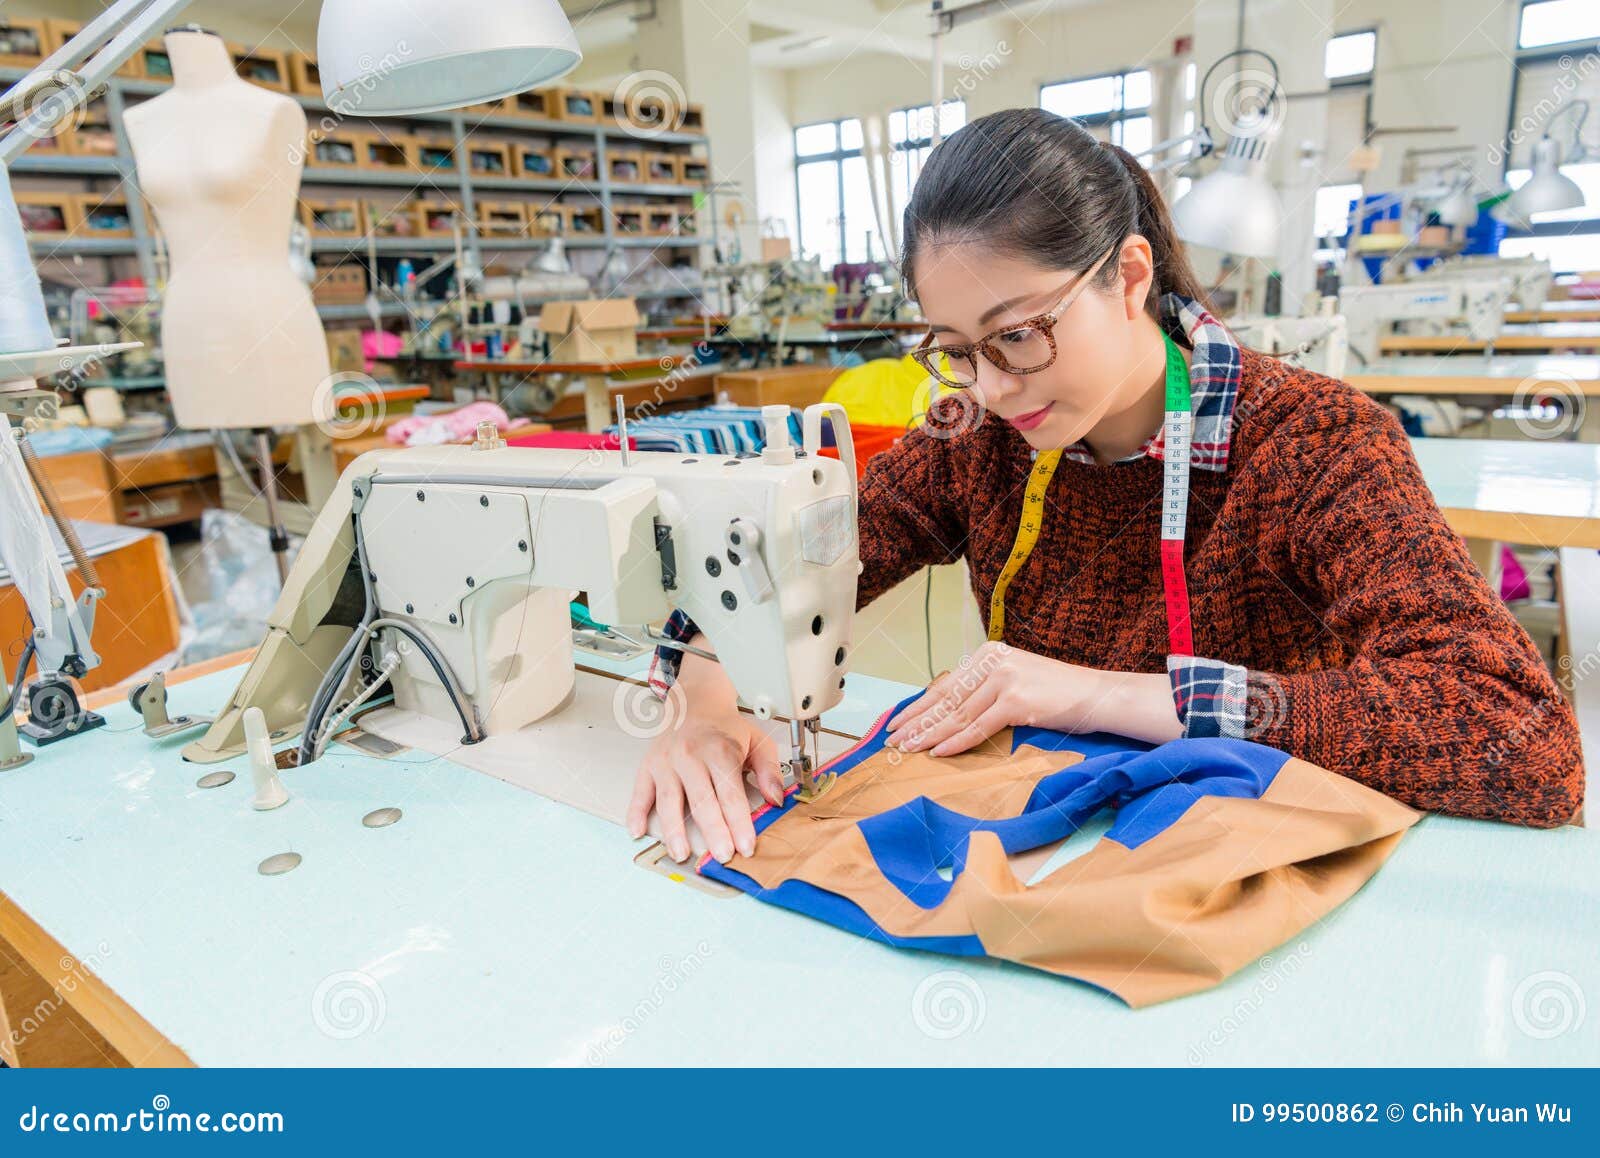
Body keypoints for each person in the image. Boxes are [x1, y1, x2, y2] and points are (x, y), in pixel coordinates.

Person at [628, 107, 1583, 865]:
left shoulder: (1315, 445)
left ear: (1128, 274)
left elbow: (1521, 740)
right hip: (1057, 847)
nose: (995, 387)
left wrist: (1099, 695)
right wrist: (705, 703)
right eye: (956, 351)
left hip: (1250, 866)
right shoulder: (976, 431)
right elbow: (799, 565)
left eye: (1019, 333)